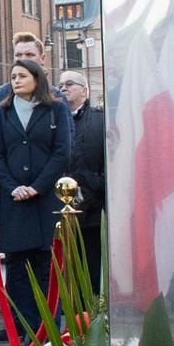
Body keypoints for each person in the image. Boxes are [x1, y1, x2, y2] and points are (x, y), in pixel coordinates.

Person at [0, 60, 73, 340]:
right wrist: (13, 187)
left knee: (46, 265)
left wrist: (37, 187)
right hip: (14, 202)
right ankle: (23, 327)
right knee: (17, 268)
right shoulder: (3, 112)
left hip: (45, 200)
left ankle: (48, 327)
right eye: (13, 76)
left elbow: (62, 152)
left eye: (22, 75)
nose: (16, 80)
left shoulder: (56, 109)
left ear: (37, 78)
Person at [59, 69, 106, 289]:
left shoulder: (100, 120)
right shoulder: (54, 119)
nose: (63, 88)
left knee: (91, 270)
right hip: (60, 211)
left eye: (69, 84)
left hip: (93, 209)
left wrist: (94, 183)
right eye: (60, 85)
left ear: (85, 91)